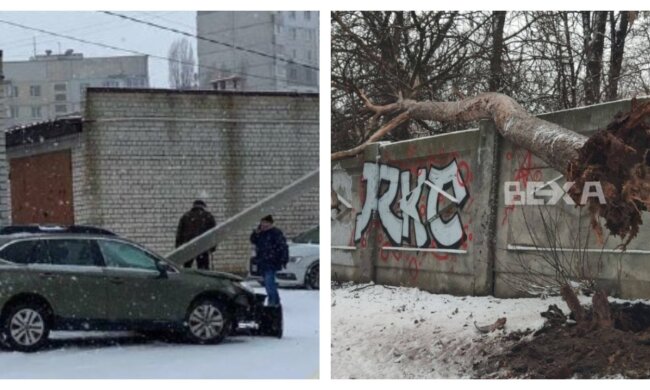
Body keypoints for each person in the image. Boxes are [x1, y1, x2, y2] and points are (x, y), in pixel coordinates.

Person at [250, 215, 288, 307]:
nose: (263, 225)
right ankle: (276, 301)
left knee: (269, 283)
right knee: (268, 284)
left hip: (272, 262)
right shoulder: (261, 233)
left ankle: (273, 302)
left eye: (266, 223)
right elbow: (253, 240)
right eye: (262, 223)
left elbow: (283, 247)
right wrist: (255, 233)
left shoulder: (276, 233)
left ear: (270, 223)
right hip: (263, 262)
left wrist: (283, 259)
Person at [175, 200, 217, 270]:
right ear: (203, 207)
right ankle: (204, 280)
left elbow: (179, 233)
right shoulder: (208, 216)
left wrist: (178, 247)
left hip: (188, 246)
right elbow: (213, 233)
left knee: (187, 268)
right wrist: (212, 247)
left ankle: (187, 279)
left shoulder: (186, 216)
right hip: (203, 246)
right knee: (203, 269)